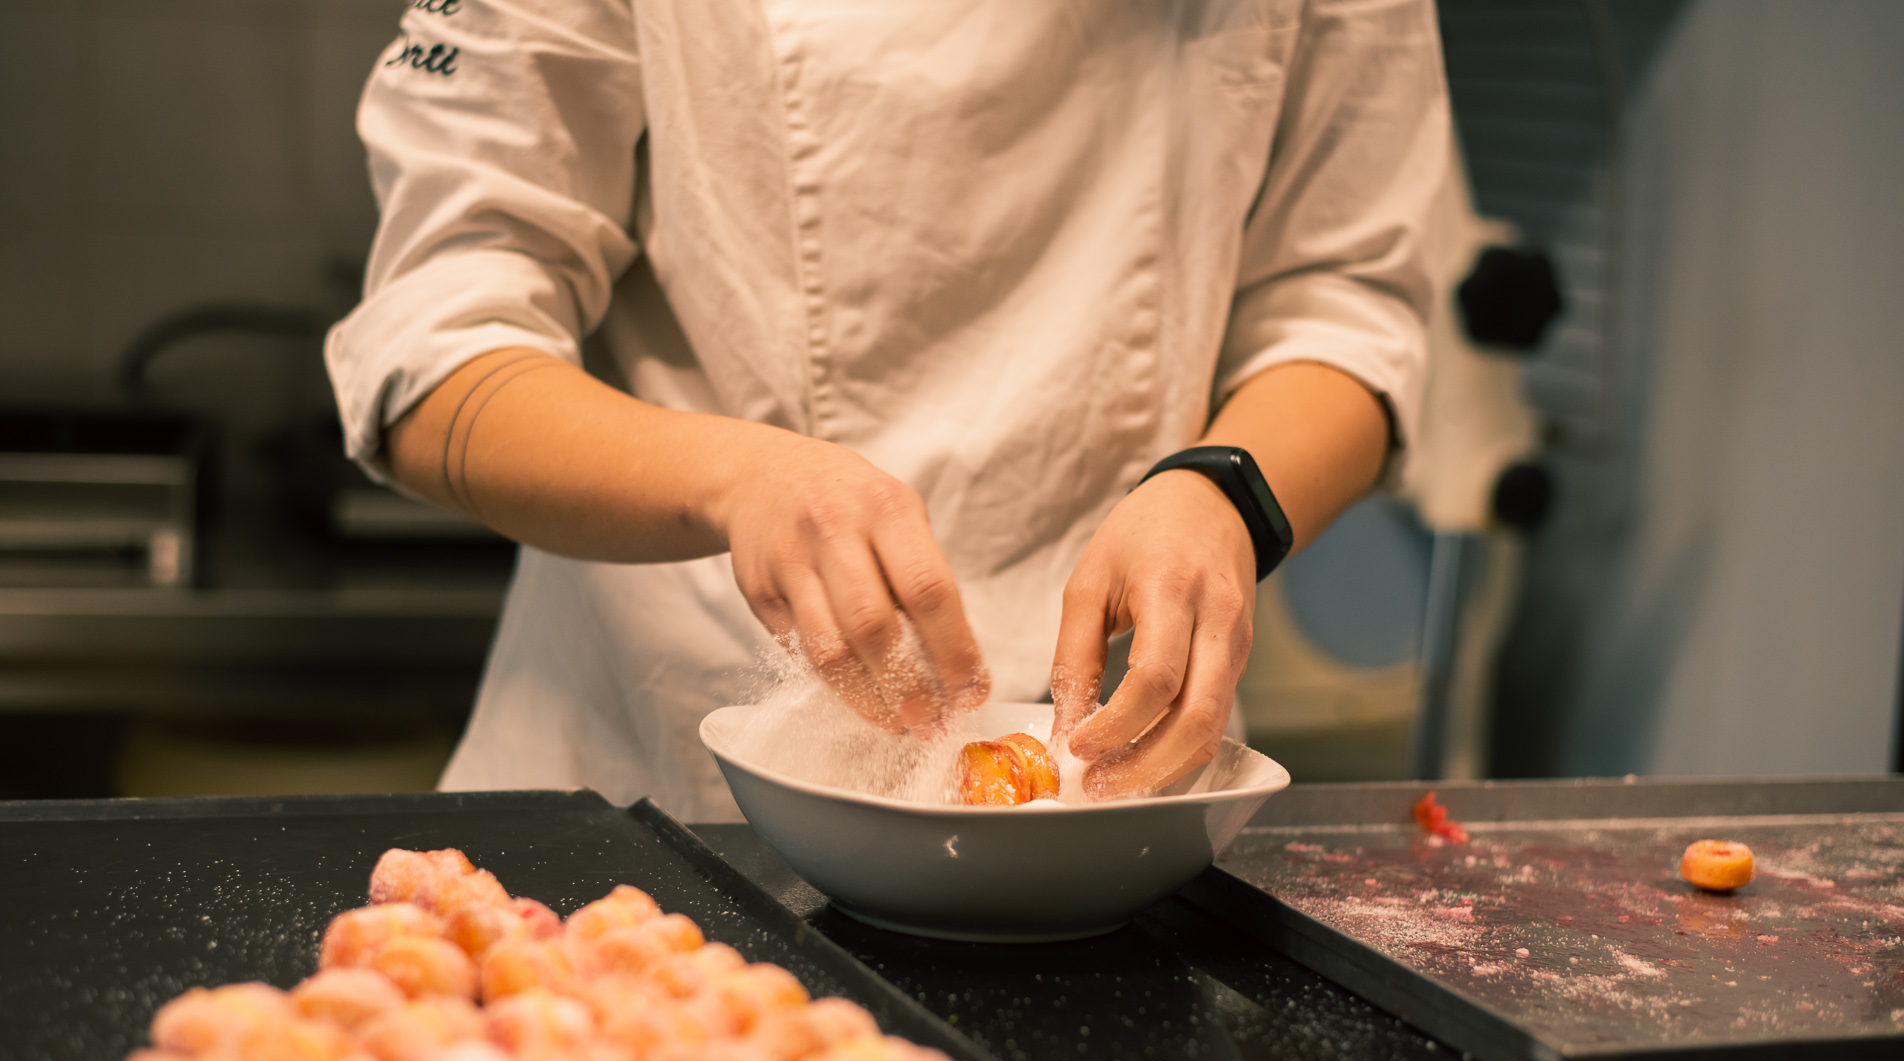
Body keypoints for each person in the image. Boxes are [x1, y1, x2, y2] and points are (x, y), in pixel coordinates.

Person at [326, 0, 1452, 821]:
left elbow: (1347, 300)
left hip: (1116, 809)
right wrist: (736, 479)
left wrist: (1223, 492)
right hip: (667, 784)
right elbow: (435, 353)